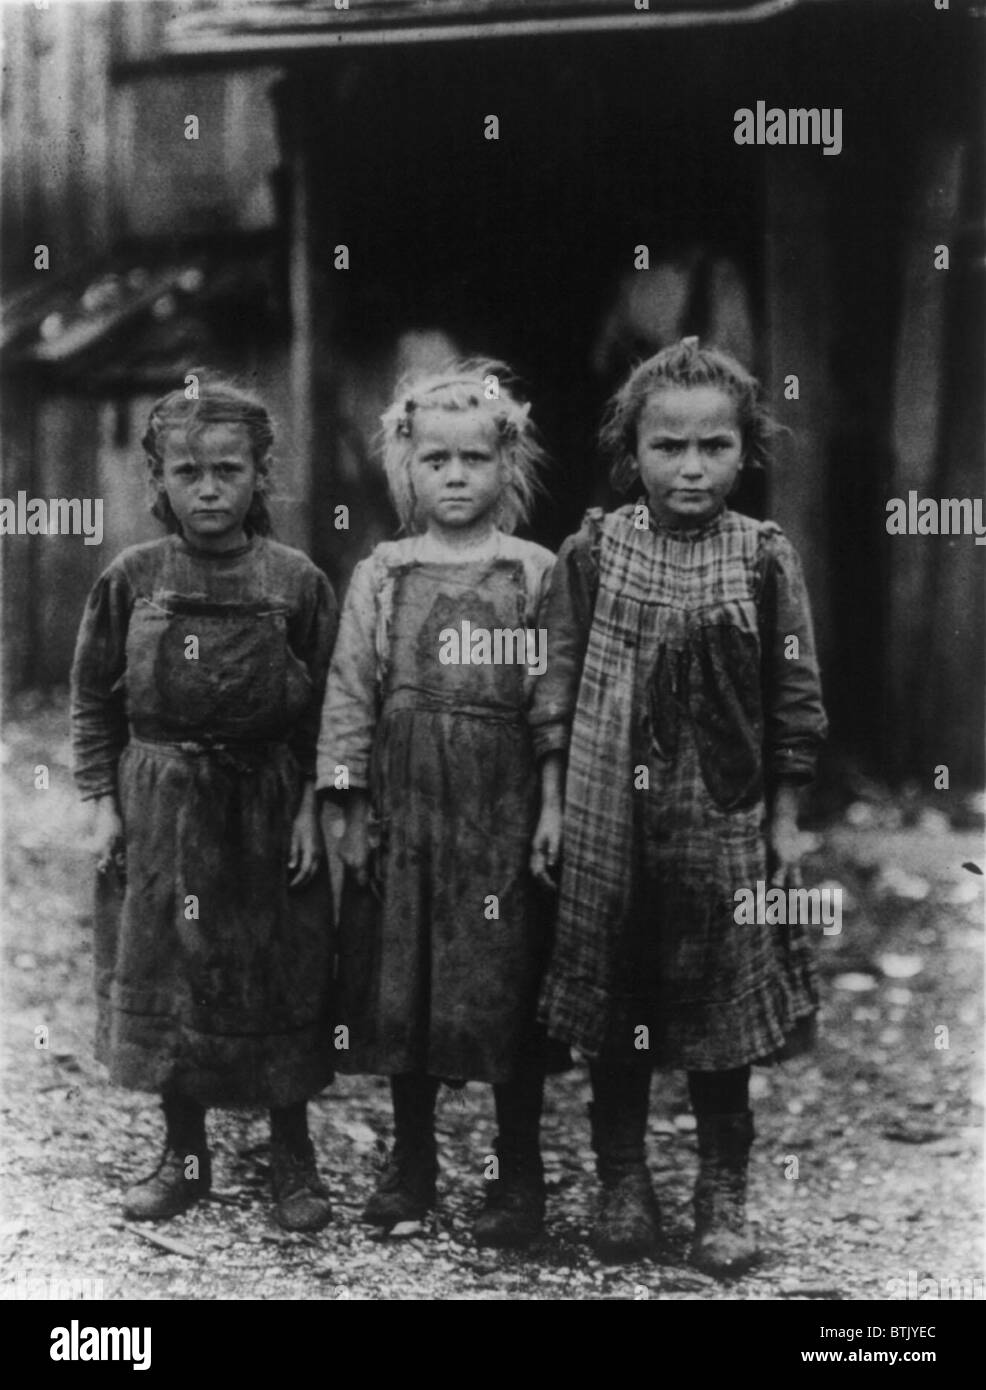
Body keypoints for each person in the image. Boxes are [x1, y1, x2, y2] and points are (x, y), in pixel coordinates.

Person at [530, 338, 827, 1275]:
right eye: (668, 448)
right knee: (615, 999)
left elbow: (795, 699)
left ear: (745, 453)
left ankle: (719, 1196)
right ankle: (623, 1181)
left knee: (717, 1012)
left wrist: (782, 824)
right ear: (632, 453)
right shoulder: (595, 549)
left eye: (714, 447)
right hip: (605, 814)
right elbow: (557, 682)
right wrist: (551, 805)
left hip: (722, 821)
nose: (691, 467)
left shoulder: (764, 557)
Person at [71, 379, 338, 1232]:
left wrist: (310, 808)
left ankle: (291, 1160)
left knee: (277, 973)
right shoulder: (132, 578)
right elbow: (93, 703)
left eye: (230, 469)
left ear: (264, 474)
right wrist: (103, 804)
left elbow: (329, 709)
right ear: (159, 479)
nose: (210, 489)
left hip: (265, 806)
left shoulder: (296, 581)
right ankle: (183, 1158)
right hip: (161, 806)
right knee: (172, 973)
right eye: (188, 472)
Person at [318, 361, 559, 1248]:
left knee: (503, 986)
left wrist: (552, 807)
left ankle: (517, 1174)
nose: (455, 477)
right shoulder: (381, 574)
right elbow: (350, 694)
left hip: (499, 810)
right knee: (404, 985)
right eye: (435, 461)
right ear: (405, 469)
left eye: (474, 460)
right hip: (407, 809)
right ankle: (410, 1165)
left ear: (509, 465)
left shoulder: (535, 573)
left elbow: (553, 702)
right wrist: (346, 809)